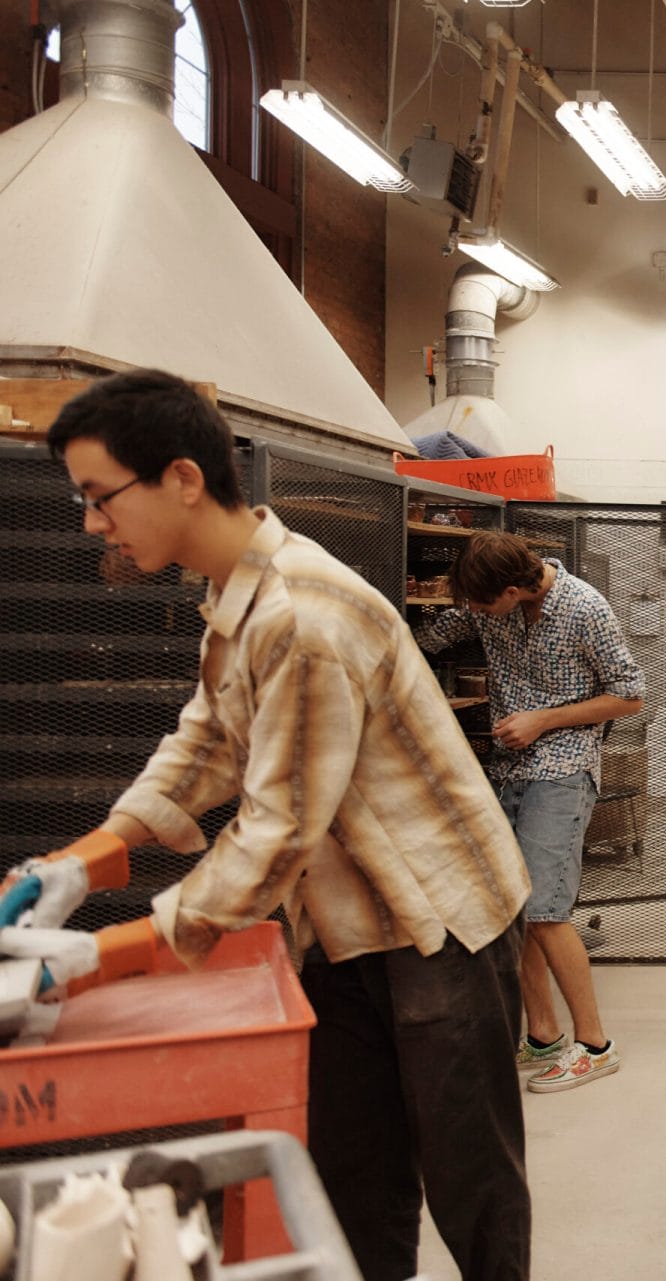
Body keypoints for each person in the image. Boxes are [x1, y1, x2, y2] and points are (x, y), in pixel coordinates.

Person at [40, 369, 533, 1281]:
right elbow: (206, 744)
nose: (93, 523)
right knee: (354, 1178)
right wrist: (83, 858)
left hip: (440, 925)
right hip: (343, 932)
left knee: (472, 1184)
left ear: (182, 478)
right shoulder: (238, 598)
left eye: (101, 496)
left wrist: (89, 961)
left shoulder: (303, 615)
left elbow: (274, 835)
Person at [415, 531, 645, 1093]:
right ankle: (543, 1036)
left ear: (515, 588)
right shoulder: (491, 603)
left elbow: (631, 695)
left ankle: (594, 1044)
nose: (473, 613)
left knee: (545, 909)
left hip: (562, 770)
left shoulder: (585, 608)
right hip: (508, 768)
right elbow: (440, 632)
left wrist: (543, 719)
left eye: (479, 603)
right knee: (516, 908)